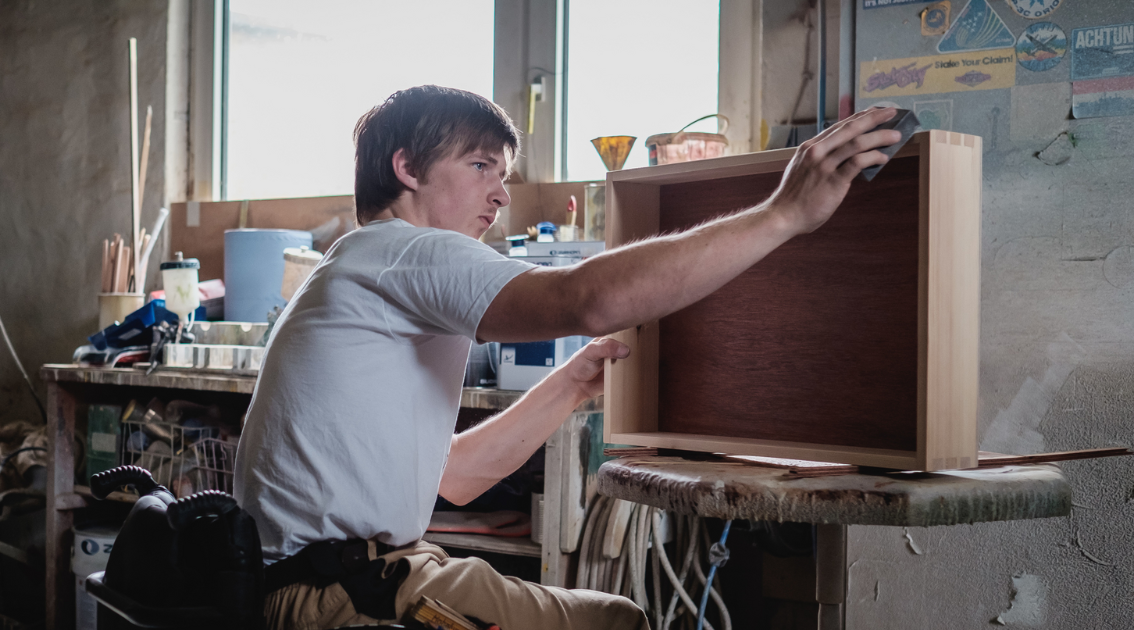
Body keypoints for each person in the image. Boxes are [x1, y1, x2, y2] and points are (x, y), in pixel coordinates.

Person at [234, 84, 902, 630]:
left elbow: (455, 476)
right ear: (407, 168)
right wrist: (784, 213)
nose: (502, 196)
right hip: (340, 595)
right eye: (480, 167)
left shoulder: (363, 265)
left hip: (350, 575)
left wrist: (573, 384)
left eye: (504, 175)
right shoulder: (402, 250)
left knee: (613, 618)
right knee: (619, 623)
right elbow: (587, 299)